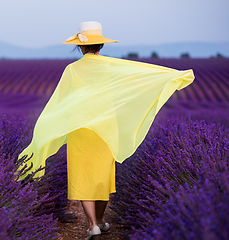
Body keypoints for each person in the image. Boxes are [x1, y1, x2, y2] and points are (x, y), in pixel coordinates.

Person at [17, 21, 194, 240]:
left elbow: (61, 101)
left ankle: (92, 225)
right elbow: (136, 81)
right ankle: (100, 221)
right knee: (101, 177)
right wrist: (170, 76)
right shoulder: (111, 67)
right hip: (106, 128)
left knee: (82, 175)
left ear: (81, 47)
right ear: (101, 45)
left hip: (80, 128)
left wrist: (51, 124)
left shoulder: (71, 70)